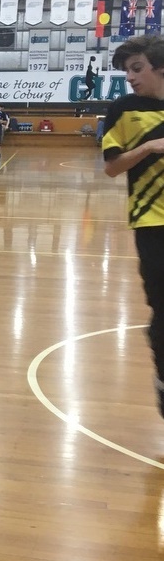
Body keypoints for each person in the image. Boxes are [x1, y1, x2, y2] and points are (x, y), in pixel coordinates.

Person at [103, 34, 164, 419]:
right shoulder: (124, 110)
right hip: (152, 222)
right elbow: (111, 167)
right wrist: (148, 148)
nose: (130, 77)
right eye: (126, 71)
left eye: (136, 68)